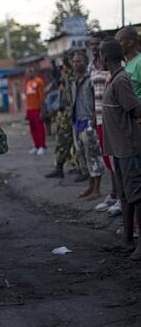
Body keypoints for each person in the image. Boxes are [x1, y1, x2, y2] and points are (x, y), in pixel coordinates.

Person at [99, 40, 141, 260]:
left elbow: (135, 110)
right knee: (125, 196)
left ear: (105, 58)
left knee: (137, 195)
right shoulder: (114, 79)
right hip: (119, 148)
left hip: (129, 147)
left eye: (100, 56)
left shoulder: (121, 80)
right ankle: (127, 241)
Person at [89, 33, 120, 214]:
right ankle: (114, 193)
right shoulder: (92, 65)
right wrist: (93, 114)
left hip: (111, 118)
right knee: (108, 160)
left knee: (116, 160)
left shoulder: (114, 66)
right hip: (99, 117)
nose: (94, 48)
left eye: (97, 45)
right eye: (92, 45)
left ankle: (119, 197)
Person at [70, 51, 104, 200]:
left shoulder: (91, 78)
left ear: (85, 62)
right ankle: (90, 187)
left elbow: (97, 100)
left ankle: (97, 189)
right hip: (77, 122)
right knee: (83, 157)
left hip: (89, 122)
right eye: (74, 61)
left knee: (94, 156)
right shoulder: (74, 80)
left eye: (79, 61)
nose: (76, 64)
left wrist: (93, 119)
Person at [25, 67, 47, 155]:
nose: (29, 74)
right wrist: (27, 111)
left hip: (37, 109)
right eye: (27, 72)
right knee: (33, 128)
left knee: (40, 128)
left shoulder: (39, 82)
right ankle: (36, 145)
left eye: (30, 71)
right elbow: (27, 98)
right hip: (30, 110)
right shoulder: (28, 83)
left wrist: (42, 110)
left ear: (34, 72)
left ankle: (42, 146)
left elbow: (42, 97)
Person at [116, 26, 141, 99]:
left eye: (119, 41)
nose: (116, 46)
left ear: (130, 43)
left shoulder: (139, 62)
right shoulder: (122, 63)